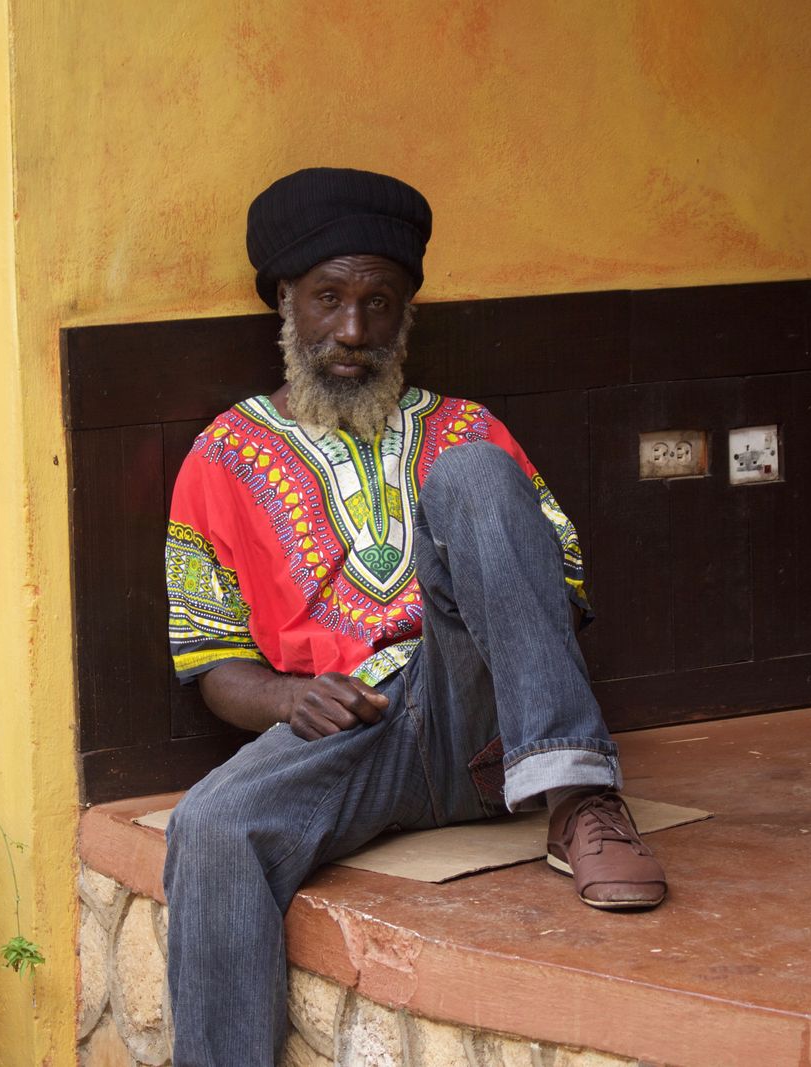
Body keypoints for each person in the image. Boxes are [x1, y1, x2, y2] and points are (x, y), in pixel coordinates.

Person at [161, 167, 667, 1065]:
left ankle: (579, 796)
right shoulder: (222, 455)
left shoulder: (467, 427)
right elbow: (214, 664)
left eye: (378, 304)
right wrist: (288, 699)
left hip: (486, 723)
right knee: (208, 826)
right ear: (285, 300)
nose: (353, 331)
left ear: (407, 313)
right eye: (328, 299)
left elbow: (555, 602)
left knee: (473, 474)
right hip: (351, 736)